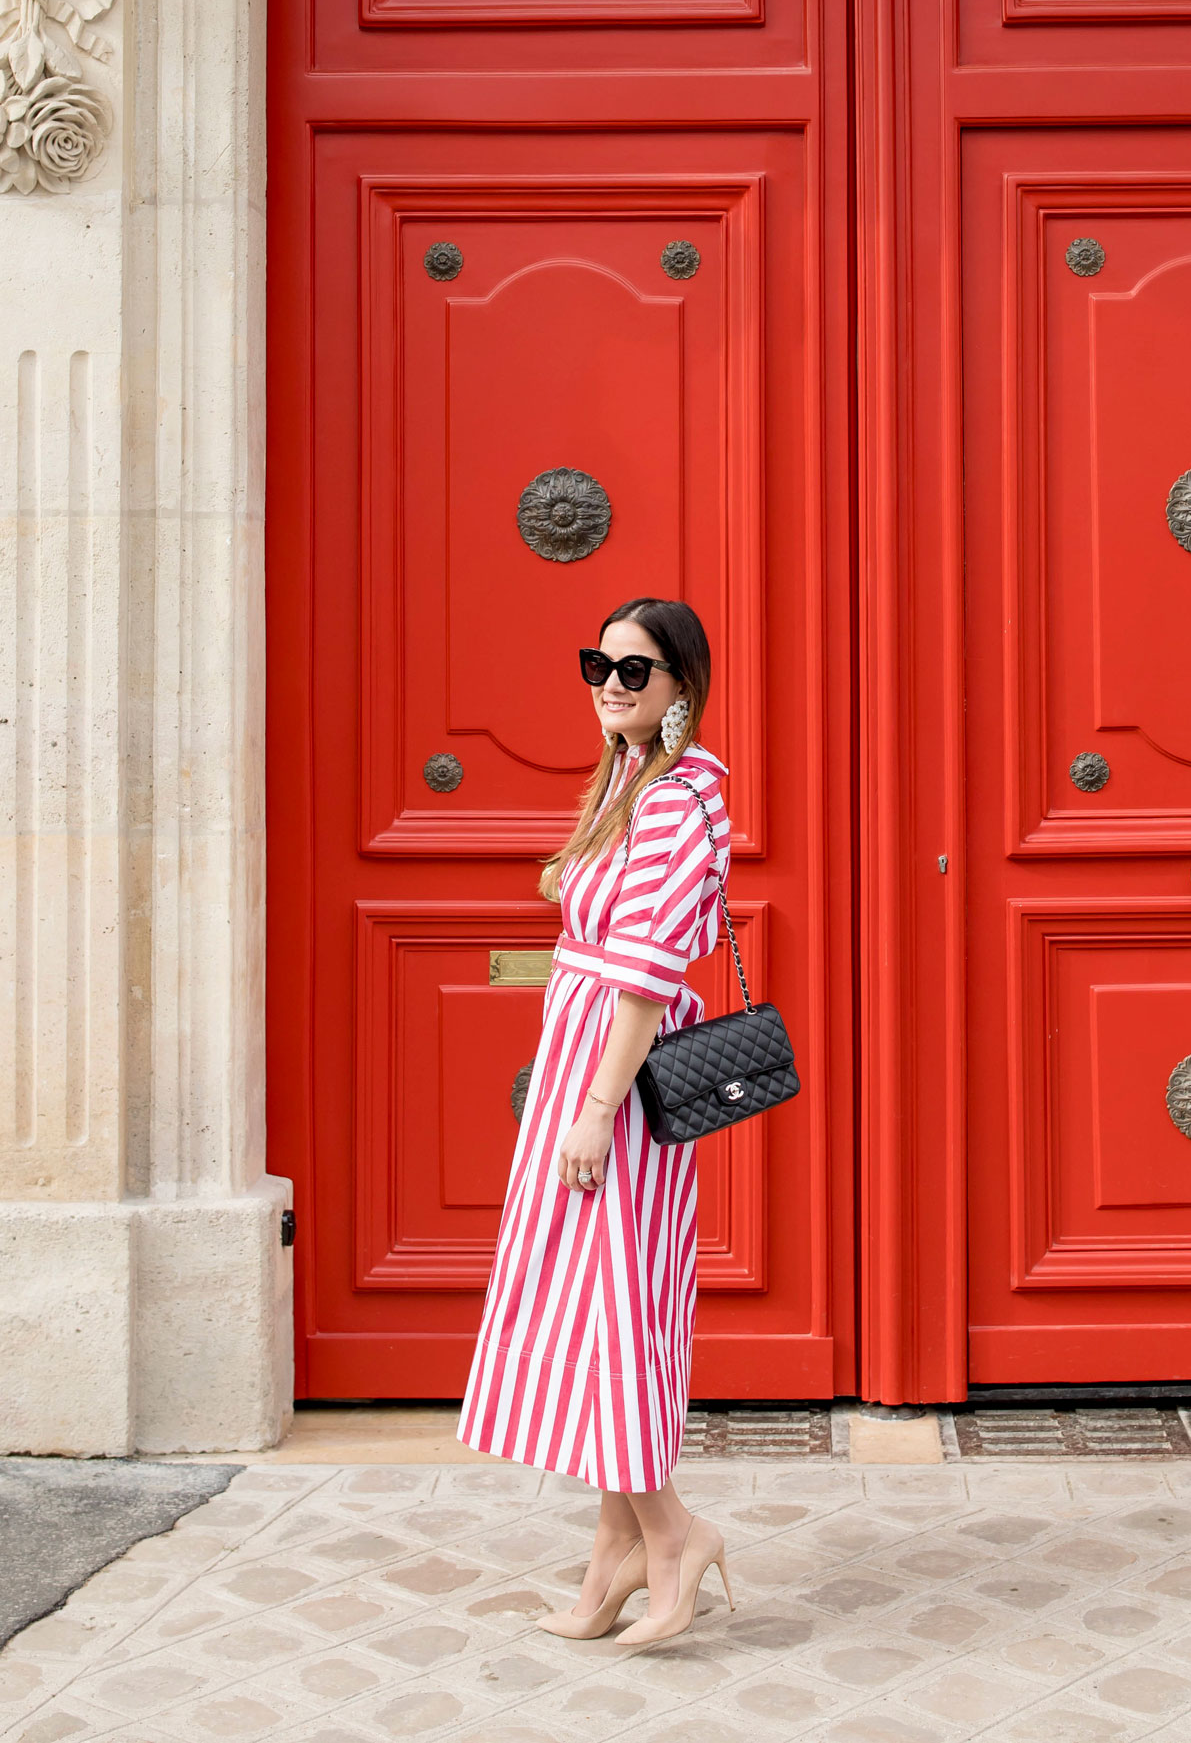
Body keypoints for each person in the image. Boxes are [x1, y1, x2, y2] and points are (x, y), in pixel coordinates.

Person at [457, 596, 735, 1646]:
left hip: (616, 1074)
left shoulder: (676, 795)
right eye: (599, 665)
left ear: (681, 689)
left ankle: (670, 1536)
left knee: (613, 1306)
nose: (611, 686)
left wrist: (593, 1110)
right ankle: (611, 1550)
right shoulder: (629, 779)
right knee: (588, 1304)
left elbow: (644, 974)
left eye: (636, 672)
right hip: (587, 1060)